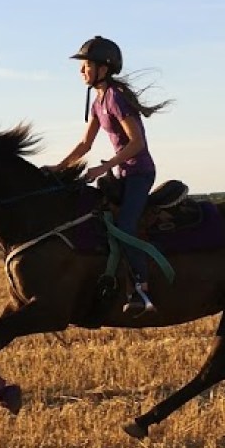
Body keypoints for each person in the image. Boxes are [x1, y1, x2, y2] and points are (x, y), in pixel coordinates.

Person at [53, 35, 171, 315]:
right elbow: (85, 144)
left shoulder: (116, 97)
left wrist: (103, 168)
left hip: (139, 174)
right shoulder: (98, 101)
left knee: (126, 226)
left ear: (104, 68)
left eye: (87, 65)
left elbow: (137, 142)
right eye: (81, 66)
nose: (81, 71)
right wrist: (57, 169)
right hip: (122, 174)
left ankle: (142, 290)